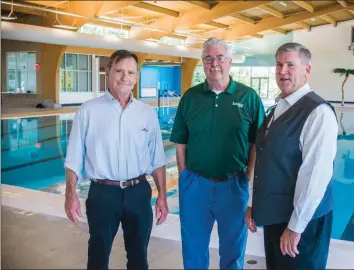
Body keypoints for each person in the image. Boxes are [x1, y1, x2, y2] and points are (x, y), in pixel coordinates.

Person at [64, 50, 168, 270]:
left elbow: (157, 160)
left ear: (136, 77)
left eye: (130, 72)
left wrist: (163, 197)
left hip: (138, 191)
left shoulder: (146, 113)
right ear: (108, 71)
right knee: (98, 255)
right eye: (119, 71)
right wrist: (70, 195)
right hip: (103, 193)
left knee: (139, 256)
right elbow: (74, 157)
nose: (125, 77)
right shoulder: (89, 111)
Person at [169, 37, 265, 269]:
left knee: (233, 251)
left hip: (233, 184)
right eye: (208, 58)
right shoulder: (190, 97)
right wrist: (184, 177)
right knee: (193, 249)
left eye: (220, 58)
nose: (214, 63)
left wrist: (248, 176)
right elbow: (180, 143)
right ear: (203, 63)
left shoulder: (248, 97)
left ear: (230, 62)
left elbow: (257, 144)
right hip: (195, 185)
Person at [246, 42, 338, 270]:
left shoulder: (318, 113)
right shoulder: (278, 109)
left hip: (301, 222)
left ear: (306, 69)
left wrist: (296, 226)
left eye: (290, 65)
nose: (282, 71)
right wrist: (252, 205)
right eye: (279, 65)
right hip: (275, 217)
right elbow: (264, 159)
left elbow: (315, 175)